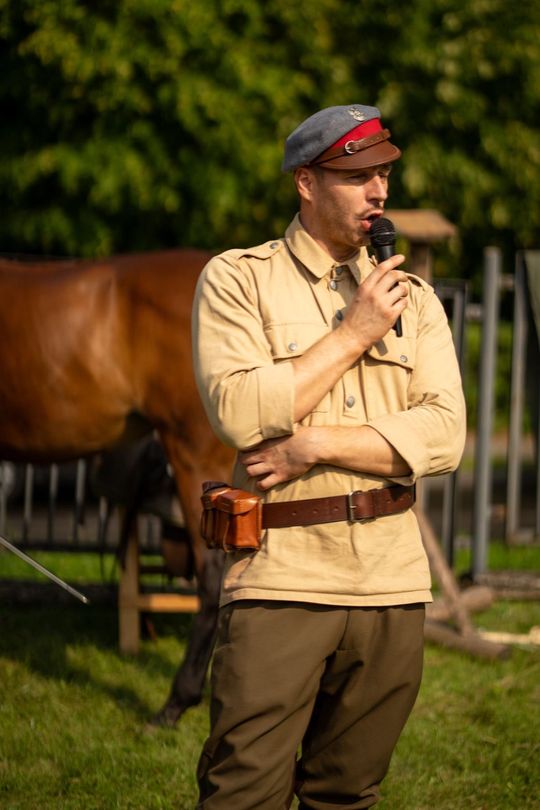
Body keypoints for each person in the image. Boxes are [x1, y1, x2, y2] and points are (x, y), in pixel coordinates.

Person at [192, 104, 466, 809]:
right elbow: (240, 413)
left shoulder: (416, 300)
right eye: (357, 177)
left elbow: (444, 435)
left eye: (384, 175)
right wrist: (354, 333)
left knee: (346, 795)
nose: (378, 192)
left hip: (391, 585)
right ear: (306, 183)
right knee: (243, 793)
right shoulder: (239, 279)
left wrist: (312, 443)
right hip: (282, 578)